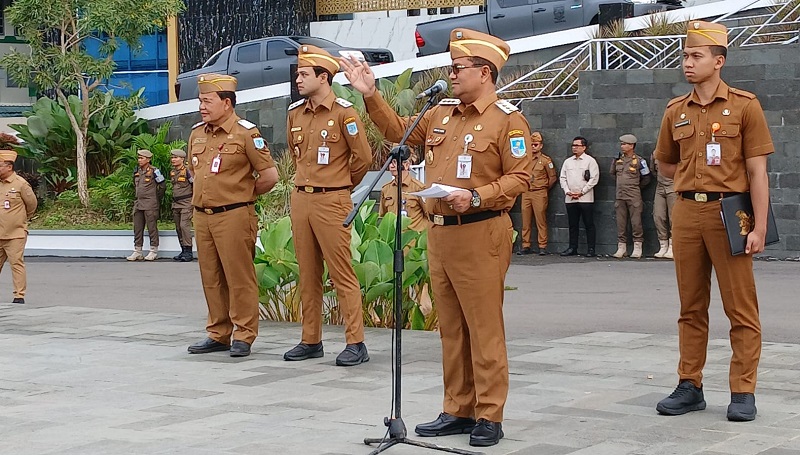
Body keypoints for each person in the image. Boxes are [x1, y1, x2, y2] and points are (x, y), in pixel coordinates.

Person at [341, 28, 532, 447]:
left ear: (485, 72)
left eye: (459, 67)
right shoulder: (440, 113)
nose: (452, 74)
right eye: (452, 66)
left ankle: (489, 414)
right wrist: (371, 94)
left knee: (483, 327)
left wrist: (477, 194)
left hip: (482, 231)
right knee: (451, 327)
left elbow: (521, 176)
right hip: (441, 233)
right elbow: (397, 130)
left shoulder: (506, 119)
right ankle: (458, 407)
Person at [653, 21, 773, 422]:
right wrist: (691, 178)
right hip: (687, 212)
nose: (687, 63)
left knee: (741, 308)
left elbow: (758, 172)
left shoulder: (745, 106)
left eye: (696, 56)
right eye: (685, 56)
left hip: (730, 213)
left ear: (718, 61)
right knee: (691, 306)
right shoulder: (675, 110)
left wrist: (757, 226)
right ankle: (690, 384)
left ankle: (743, 390)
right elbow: (665, 161)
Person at [282, 45, 373, 367]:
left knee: (341, 273)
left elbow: (363, 158)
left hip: (332, 198)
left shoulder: (344, 113)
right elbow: (296, 156)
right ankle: (310, 339)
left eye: (304, 74)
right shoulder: (295, 113)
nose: (298, 79)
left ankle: (355, 342)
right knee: (307, 273)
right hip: (302, 197)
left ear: (324, 77)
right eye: (297, 74)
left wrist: (339, 183)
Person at [186, 73, 279, 358]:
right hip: (203, 216)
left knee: (239, 277)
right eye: (200, 100)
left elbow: (269, 175)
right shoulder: (197, 133)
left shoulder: (245, 133)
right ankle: (218, 332)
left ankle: (244, 334)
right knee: (211, 276)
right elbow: (194, 172)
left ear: (226, 103)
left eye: (207, 101)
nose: (202, 106)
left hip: (235, 215)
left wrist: (243, 194)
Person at [0, 149, 37, 304]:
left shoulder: (20, 184)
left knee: (16, 264)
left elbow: (32, 205)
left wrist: (19, 220)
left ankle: (19, 295)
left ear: (9, 166)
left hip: (15, 233)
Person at [610, 134, 651, 259]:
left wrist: (636, 187)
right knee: (621, 223)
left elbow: (647, 177)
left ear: (632, 145)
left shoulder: (639, 160)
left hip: (633, 195)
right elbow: (612, 174)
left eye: (625, 144)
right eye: (622, 144)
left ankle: (637, 246)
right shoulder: (617, 159)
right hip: (620, 195)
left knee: (636, 222)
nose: (622, 146)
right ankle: (622, 247)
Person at [517, 131, 556, 256]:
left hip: (539, 192)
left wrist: (543, 188)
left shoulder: (545, 160)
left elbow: (552, 177)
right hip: (526, 192)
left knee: (541, 219)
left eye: (536, 145)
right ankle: (525, 245)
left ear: (541, 146)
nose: (533, 147)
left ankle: (542, 245)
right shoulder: (525, 160)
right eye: (531, 144)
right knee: (525, 220)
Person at [559, 136, 599, 257]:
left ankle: (591, 249)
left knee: (589, 224)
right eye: (573, 145)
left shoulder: (590, 161)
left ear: (584, 147)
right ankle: (572, 247)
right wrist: (567, 191)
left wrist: (582, 191)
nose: (574, 148)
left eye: (577, 146)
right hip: (570, 198)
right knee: (573, 224)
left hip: (585, 198)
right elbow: (562, 178)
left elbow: (594, 178)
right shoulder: (568, 161)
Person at [126, 149, 165, 261]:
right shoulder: (137, 171)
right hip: (139, 203)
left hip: (150, 203)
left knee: (151, 227)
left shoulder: (154, 171)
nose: (140, 160)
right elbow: (135, 184)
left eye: (142, 158)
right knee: (137, 227)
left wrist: (156, 198)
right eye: (139, 158)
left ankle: (153, 250)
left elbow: (162, 186)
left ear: (148, 159)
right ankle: (137, 250)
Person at [379, 158, 430, 232]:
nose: (391, 166)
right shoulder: (386, 189)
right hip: (394, 240)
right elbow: (383, 216)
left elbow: (429, 215)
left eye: (395, 162)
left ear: (407, 165)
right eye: (390, 162)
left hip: (412, 240)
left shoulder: (418, 188)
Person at [170, 148, 194, 262]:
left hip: (186, 203)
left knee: (184, 226)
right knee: (178, 228)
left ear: (182, 159)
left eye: (175, 157)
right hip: (176, 203)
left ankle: (188, 251)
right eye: (172, 157)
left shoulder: (188, 171)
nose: (173, 160)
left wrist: (194, 202)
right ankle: (183, 250)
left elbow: (195, 185)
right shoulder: (173, 171)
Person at [652, 151, 676, 258]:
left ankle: (672, 245)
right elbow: (653, 170)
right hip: (660, 187)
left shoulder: (676, 153)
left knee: (673, 217)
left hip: (673, 185)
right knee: (658, 216)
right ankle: (663, 244)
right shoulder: (655, 154)